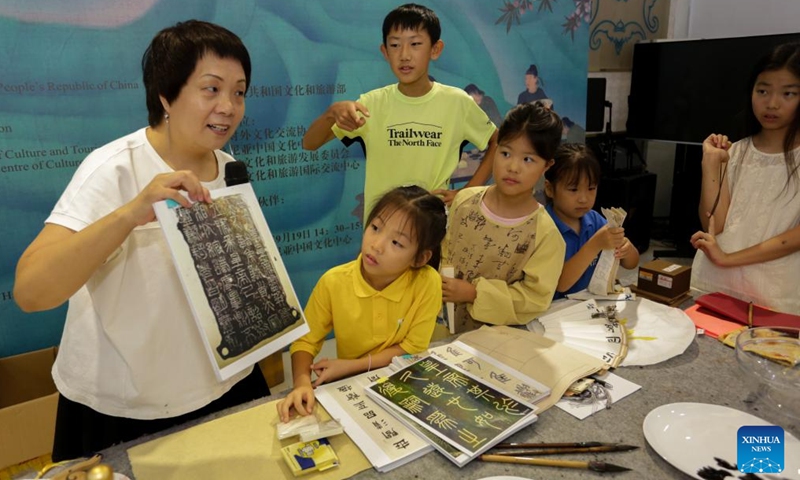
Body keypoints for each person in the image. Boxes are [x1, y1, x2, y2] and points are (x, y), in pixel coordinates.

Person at [13, 20, 269, 459]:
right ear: (166, 96)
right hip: (123, 407)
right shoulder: (114, 168)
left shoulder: (231, 170)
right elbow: (31, 290)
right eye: (211, 89)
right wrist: (132, 213)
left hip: (224, 384)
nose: (228, 106)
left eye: (239, 92)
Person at [301, 3, 499, 214]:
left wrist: (467, 192)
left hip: (432, 230)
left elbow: (497, 140)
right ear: (384, 52)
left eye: (415, 44)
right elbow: (310, 143)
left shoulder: (457, 102)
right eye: (395, 45)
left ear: (435, 49)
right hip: (381, 234)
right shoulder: (371, 104)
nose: (404, 55)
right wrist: (332, 113)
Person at [277, 185, 447, 421]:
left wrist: (352, 365)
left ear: (420, 258)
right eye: (375, 228)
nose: (376, 245)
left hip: (403, 384)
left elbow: (412, 349)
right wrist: (302, 382)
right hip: (352, 389)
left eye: (396, 243)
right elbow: (305, 340)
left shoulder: (428, 282)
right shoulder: (334, 281)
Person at [690, 42, 800, 314]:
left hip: (775, 295)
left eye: (788, 94)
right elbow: (714, 224)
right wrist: (710, 163)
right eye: (762, 91)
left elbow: (795, 237)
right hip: (716, 284)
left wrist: (728, 258)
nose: (772, 103)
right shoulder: (736, 151)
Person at [442, 103, 566, 330]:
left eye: (528, 159)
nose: (513, 167)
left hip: (495, 341)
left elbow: (534, 299)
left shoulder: (545, 235)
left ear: (546, 166)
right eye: (506, 153)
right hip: (440, 327)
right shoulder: (464, 201)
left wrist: (474, 293)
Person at [543, 144, 639, 299]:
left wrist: (626, 249)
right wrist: (595, 244)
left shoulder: (594, 219)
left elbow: (631, 264)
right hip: (555, 310)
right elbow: (560, 284)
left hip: (590, 302)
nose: (583, 199)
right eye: (573, 190)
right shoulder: (543, 226)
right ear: (549, 189)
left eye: (591, 188)